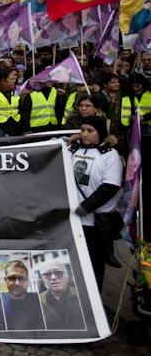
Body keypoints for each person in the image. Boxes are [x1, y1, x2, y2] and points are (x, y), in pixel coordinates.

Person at [69, 115, 123, 291]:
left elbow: (110, 186)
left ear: (100, 133)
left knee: (94, 264)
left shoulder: (110, 155)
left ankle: (95, 301)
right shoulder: (72, 150)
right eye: (82, 130)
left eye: (90, 131)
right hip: (74, 220)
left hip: (95, 221)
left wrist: (86, 207)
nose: (84, 134)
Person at [37, 260, 85, 330]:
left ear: (67, 276)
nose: (53, 277)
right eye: (47, 274)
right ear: (43, 279)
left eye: (58, 272)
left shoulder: (81, 295)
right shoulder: (37, 301)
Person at [1, 260, 45, 330]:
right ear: (5, 280)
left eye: (21, 278)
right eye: (12, 278)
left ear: (27, 280)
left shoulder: (40, 300)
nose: (17, 283)